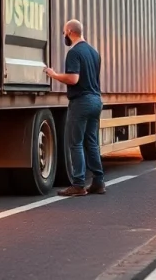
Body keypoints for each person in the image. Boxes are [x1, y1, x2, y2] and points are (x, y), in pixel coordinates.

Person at [44, 19, 105, 197]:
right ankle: (98, 182)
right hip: (96, 100)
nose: (64, 35)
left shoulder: (74, 52)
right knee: (91, 142)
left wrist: (54, 75)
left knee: (75, 143)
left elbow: (73, 79)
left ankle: (78, 184)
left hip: (81, 102)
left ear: (70, 32)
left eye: (64, 32)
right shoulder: (94, 52)